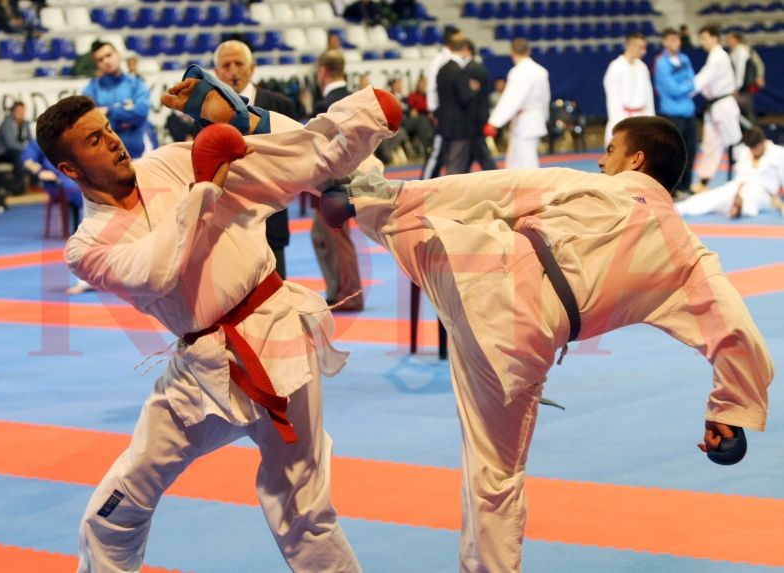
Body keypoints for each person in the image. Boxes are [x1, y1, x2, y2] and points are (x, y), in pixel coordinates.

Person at [318, 115, 772, 571]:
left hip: (475, 267)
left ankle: (351, 165)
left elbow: (495, 190)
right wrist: (730, 410)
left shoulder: (590, 186)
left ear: (637, 160)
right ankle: (358, 182)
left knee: (397, 217)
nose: (602, 161)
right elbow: (735, 331)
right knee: (495, 477)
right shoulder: (687, 256)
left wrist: (371, 201)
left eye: (610, 150)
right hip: (518, 338)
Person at [35, 69, 399, 572]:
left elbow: (283, 164)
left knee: (300, 508)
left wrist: (344, 124)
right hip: (204, 367)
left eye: (109, 128)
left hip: (277, 339)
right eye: (94, 140)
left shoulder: (167, 161)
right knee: (115, 507)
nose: (114, 141)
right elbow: (154, 271)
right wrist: (203, 190)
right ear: (69, 168)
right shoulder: (86, 246)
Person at [214, 39, 299, 279]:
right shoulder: (205, 113)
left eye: (239, 63)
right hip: (227, 221)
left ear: (252, 69)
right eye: (226, 65)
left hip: (272, 215)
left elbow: (297, 155)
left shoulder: (281, 106)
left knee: (278, 291)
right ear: (216, 73)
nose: (233, 71)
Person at [311, 49, 365, 311]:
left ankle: (349, 294)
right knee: (322, 235)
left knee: (335, 237)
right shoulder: (355, 98)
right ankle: (338, 290)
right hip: (355, 174)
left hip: (333, 180)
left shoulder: (325, 106)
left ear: (322, 71)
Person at [677, 126, 784, 218]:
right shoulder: (745, 151)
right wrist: (738, 190)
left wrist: (780, 204)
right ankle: (679, 208)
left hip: (766, 193)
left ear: (763, 142)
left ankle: (740, 206)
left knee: (750, 197)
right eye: (751, 148)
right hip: (740, 186)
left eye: (756, 147)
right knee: (716, 196)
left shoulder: (778, 153)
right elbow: (740, 175)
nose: (753, 151)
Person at [690, 25, 742, 193]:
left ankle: (743, 180)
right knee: (710, 145)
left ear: (714, 38)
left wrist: (683, 90)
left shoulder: (718, 57)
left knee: (735, 143)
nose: (702, 42)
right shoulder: (715, 56)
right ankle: (703, 182)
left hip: (724, 105)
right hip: (714, 106)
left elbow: (701, 80)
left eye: (704, 38)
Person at [484, 37, 550, 169]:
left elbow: (511, 100)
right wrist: (544, 116)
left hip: (525, 122)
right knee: (517, 160)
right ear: (529, 51)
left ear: (511, 52)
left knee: (526, 162)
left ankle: (531, 182)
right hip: (534, 117)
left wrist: (494, 122)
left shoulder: (519, 72)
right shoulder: (541, 71)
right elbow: (545, 98)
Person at [83, 40, 151, 159]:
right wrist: (126, 114)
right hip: (106, 158)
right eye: (100, 59)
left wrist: (109, 111)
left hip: (138, 155)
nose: (106, 61)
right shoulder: (91, 90)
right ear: (97, 65)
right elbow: (90, 122)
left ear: (118, 54)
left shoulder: (136, 84)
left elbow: (141, 113)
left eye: (109, 55)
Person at [654, 27, 697, 194]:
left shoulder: (684, 59)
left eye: (678, 39)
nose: (676, 43)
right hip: (672, 114)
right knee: (674, 153)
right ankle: (673, 188)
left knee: (691, 150)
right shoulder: (661, 63)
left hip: (689, 112)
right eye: (672, 40)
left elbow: (693, 82)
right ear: (664, 42)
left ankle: (686, 185)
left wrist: (685, 85)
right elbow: (673, 89)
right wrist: (686, 85)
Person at [434, 36, 480, 175]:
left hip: (445, 123)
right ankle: (452, 189)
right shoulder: (460, 71)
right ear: (464, 49)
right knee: (456, 165)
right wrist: (472, 89)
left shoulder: (442, 69)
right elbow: (464, 98)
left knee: (449, 161)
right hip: (459, 126)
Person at [421, 25, 462, 179]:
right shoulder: (439, 60)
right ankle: (424, 183)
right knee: (438, 150)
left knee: (451, 151)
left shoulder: (458, 58)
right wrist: (433, 110)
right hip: (442, 111)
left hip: (454, 112)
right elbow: (432, 86)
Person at [603, 32, 655, 145]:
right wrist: (620, 125)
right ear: (630, 46)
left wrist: (651, 121)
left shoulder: (642, 67)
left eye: (644, 48)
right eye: (640, 47)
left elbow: (649, 97)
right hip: (622, 118)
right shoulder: (616, 67)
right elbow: (613, 100)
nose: (644, 52)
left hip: (642, 118)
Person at [464, 40, 496, 172]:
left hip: (474, 118)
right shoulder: (476, 67)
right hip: (477, 116)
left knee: (482, 153)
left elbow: (474, 96)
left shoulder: (473, 69)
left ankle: (496, 178)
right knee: (471, 153)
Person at [0, 100, 30, 194]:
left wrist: (32, 150)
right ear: (13, 112)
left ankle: (35, 183)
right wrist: (26, 149)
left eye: (22, 111)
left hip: (15, 152)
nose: (21, 113)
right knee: (18, 155)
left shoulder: (25, 124)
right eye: (18, 111)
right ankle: (18, 186)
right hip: (0, 153)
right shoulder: (7, 123)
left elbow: (30, 140)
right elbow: (10, 144)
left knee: (31, 154)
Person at [725, 31, 765, 122]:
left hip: (747, 84)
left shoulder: (741, 50)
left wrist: (736, 87)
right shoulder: (734, 51)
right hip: (744, 84)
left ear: (737, 40)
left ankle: (752, 129)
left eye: (730, 39)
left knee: (746, 108)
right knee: (742, 108)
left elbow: (741, 70)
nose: (727, 41)